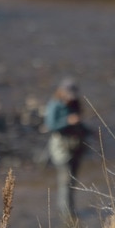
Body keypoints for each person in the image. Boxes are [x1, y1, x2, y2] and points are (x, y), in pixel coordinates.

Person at [44, 78, 87, 218]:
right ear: (61, 92)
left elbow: (80, 124)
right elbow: (51, 125)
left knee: (73, 180)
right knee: (65, 181)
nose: (70, 98)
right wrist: (67, 121)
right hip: (61, 148)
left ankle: (71, 210)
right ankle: (66, 213)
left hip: (76, 146)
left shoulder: (75, 104)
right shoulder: (54, 105)